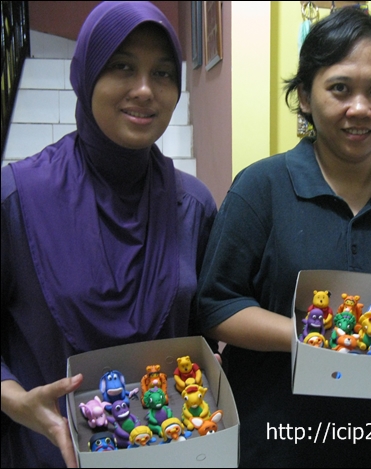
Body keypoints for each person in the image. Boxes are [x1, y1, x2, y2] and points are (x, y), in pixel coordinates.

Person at [194, 8, 371, 468]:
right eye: (340, 88)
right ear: (306, 97)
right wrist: (315, 337)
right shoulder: (262, 188)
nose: (360, 108)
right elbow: (216, 306)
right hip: (274, 446)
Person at [0, 2, 217, 467]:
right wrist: (13, 398)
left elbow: (199, 333)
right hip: (50, 453)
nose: (145, 90)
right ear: (86, 75)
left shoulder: (193, 206)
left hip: (167, 448)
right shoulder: (17, 199)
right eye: (122, 67)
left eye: (163, 73)